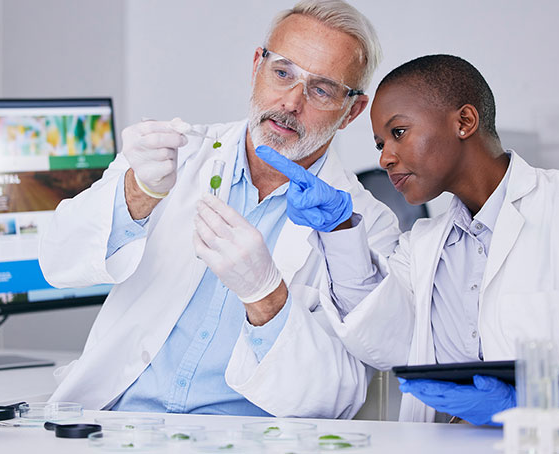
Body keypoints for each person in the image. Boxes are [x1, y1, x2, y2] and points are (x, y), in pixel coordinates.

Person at [38, 0, 400, 418]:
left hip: (246, 441)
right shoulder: (173, 155)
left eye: (320, 89)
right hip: (121, 423)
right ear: (255, 67)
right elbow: (57, 261)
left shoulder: (362, 226)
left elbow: (336, 397)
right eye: (282, 73)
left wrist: (267, 298)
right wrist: (136, 192)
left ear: (351, 111)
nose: (291, 102)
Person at [257, 54, 559, 423]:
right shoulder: (424, 244)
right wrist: (341, 231)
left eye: (398, 132)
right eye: (381, 144)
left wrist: (523, 406)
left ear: (464, 121)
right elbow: (384, 339)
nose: (385, 158)